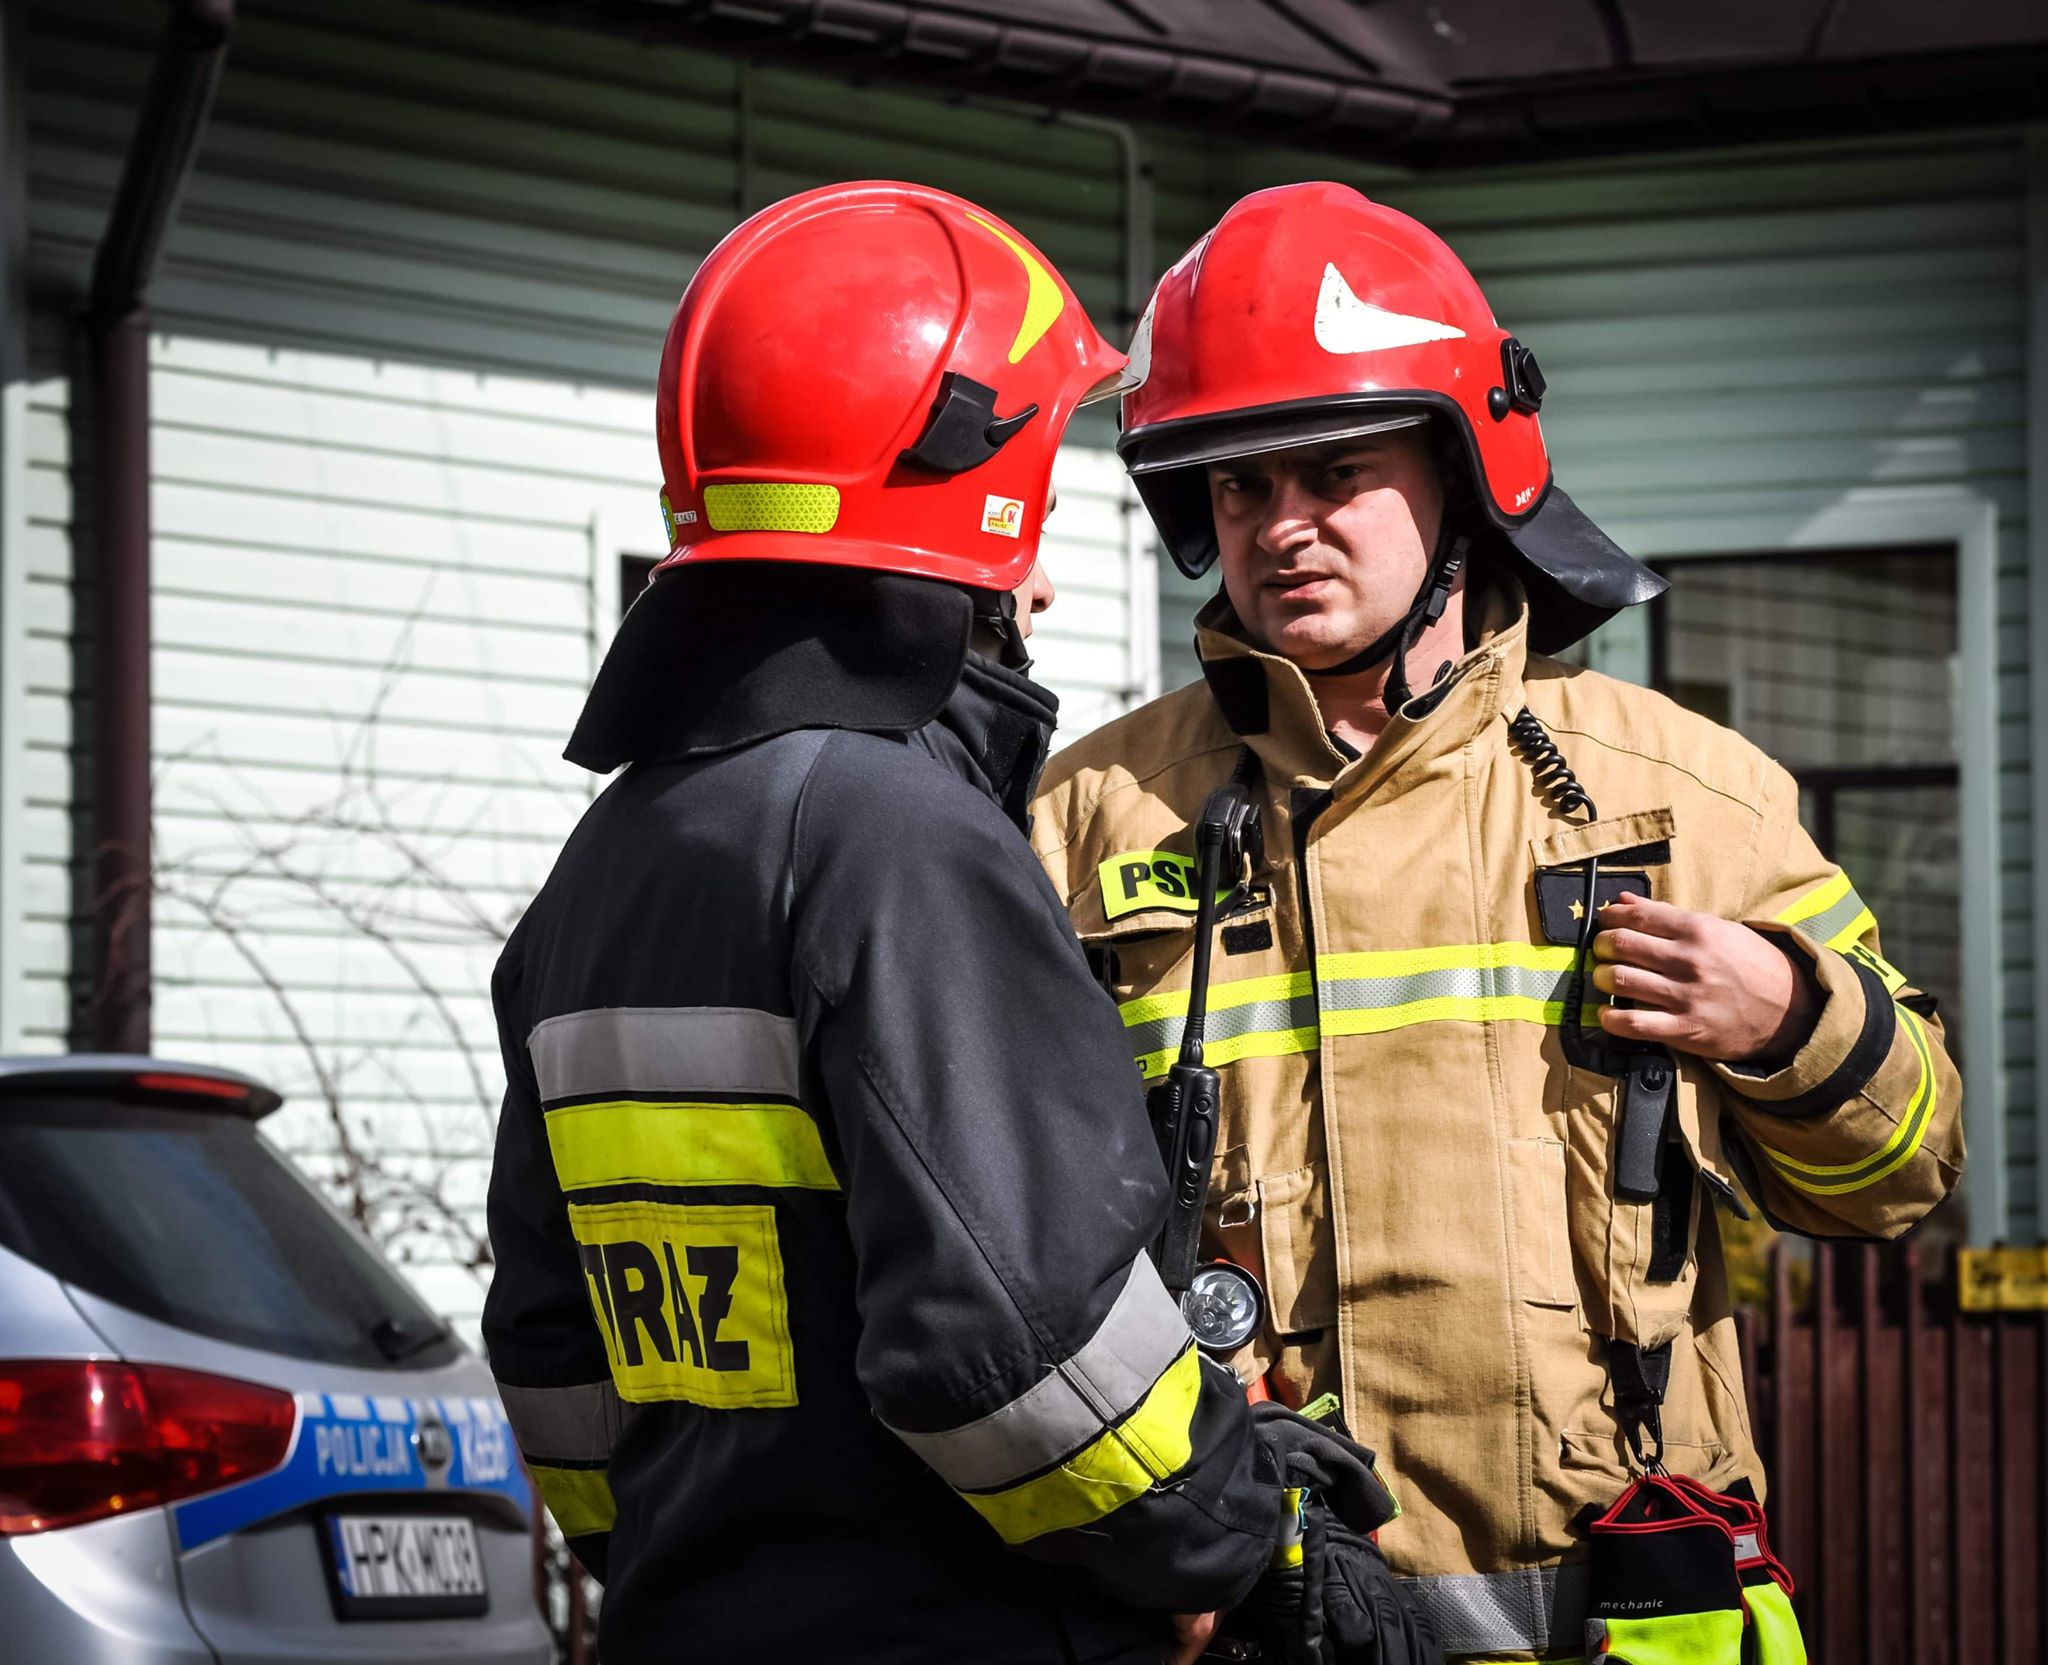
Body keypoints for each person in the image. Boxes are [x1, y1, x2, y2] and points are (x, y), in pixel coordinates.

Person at [1030, 181, 1964, 1662]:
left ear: (1465, 472)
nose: (1282, 527)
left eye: (1334, 472)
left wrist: (1787, 1017)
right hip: (1266, 1611)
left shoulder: (1678, 790)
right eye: (1238, 488)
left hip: (1623, 1615)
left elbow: (1906, 1174)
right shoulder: (1087, 819)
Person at [481, 181, 1408, 1665]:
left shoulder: (599, 872)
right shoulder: (900, 845)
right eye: (1032, 502)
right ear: (954, 503)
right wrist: (1252, 1531)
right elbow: (1020, 1348)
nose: (1040, 569)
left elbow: (559, 1374)